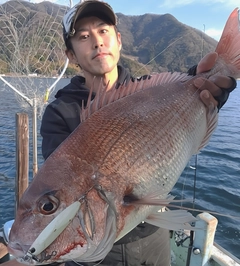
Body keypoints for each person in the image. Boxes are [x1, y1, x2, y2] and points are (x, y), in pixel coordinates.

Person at [2, 1, 237, 266]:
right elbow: (63, 181)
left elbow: (180, 98)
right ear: (70, 55)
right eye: (83, 36)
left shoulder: (150, 91)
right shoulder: (60, 112)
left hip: (153, 241)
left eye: (103, 31)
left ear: (119, 40)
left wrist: (207, 89)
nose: (97, 42)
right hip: (100, 256)